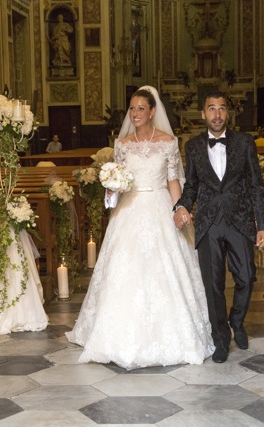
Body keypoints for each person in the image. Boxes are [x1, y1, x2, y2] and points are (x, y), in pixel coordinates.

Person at [66, 85, 214, 370]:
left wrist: (179, 208)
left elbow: (173, 180)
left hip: (159, 206)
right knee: (124, 269)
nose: (135, 113)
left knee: (165, 269)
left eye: (141, 108)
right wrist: (112, 188)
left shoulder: (168, 142)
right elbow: (118, 179)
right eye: (132, 108)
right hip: (129, 211)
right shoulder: (122, 145)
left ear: (152, 111)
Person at [173, 90, 264, 363]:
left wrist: (262, 224)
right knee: (212, 285)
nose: (217, 114)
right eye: (211, 108)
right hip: (209, 223)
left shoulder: (245, 143)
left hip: (239, 220)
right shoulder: (193, 146)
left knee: (247, 277)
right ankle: (220, 338)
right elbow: (191, 186)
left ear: (228, 112)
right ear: (203, 114)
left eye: (222, 108)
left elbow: (256, 185)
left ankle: (236, 322)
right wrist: (181, 206)